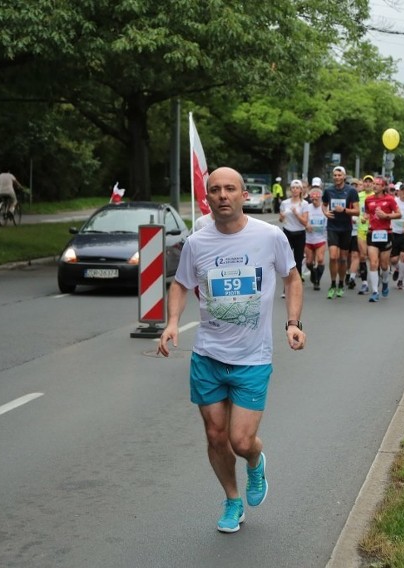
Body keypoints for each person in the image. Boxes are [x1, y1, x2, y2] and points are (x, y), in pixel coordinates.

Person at [157, 166, 306, 534]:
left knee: (240, 441)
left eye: (230, 189)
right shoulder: (197, 243)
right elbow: (179, 285)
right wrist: (173, 322)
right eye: (215, 190)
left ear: (243, 195)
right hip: (208, 355)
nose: (223, 195)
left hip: (252, 358)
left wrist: (293, 323)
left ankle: (256, 461)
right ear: (207, 198)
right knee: (214, 436)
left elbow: (292, 278)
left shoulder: (270, 236)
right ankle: (232, 500)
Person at [322, 166, 359, 299]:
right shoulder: (328, 190)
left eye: (339, 175)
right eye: (335, 175)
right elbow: (324, 204)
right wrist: (325, 213)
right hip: (332, 227)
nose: (337, 177)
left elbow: (357, 211)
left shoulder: (351, 191)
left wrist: (343, 210)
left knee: (343, 258)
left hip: (345, 228)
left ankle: (341, 283)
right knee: (332, 257)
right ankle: (332, 284)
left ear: (344, 176)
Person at [363, 176, 400, 302]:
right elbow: (367, 212)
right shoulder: (368, 200)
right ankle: (374, 291)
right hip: (372, 233)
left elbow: (398, 214)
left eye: (378, 184)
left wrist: (387, 215)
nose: (375, 186)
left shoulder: (390, 199)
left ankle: (384, 281)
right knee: (373, 263)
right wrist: (364, 217)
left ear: (383, 187)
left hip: (386, 233)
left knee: (384, 265)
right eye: (374, 184)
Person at [279, 179, 310, 297]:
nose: (295, 190)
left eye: (297, 188)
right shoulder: (285, 203)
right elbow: (281, 219)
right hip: (287, 232)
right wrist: (281, 217)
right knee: (286, 261)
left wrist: (296, 213)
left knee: (297, 261)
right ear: (290, 189)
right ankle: (285, 288)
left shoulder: (305, 204)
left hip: (300, 234)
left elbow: (305, 222)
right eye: (293, 188)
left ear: (301, 190)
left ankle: (297, 288)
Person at [304, 187, 327, 290]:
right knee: (309, 262)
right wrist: (306, 225)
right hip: (308, 239)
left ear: (320, 198)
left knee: (321, 259)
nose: (314, 201)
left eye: (316, 199)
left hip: (320, 238)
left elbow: (329, 220)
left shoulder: (325, 208)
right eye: (312, 199)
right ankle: (313, 274)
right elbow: (303, 220)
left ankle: (317, 280)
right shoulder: (307, 208)